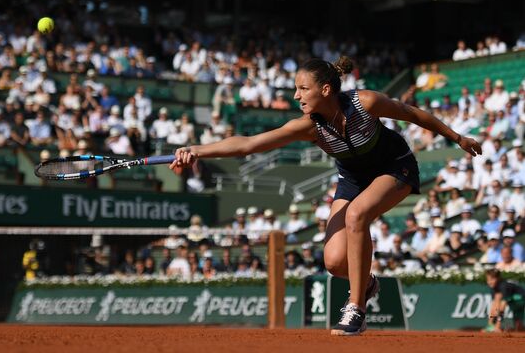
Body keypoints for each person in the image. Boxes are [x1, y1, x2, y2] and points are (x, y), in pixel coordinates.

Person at [168, 56, 481, 335]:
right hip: (353, 178)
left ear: (326, 90)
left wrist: (457, 138)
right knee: (333, 262)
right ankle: (367, 284)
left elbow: (413, 114)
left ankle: (356, 308)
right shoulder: (309, 127)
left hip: (394, 167)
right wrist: (197, 151)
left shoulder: (366, 102)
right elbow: (249, 144)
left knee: (358, 214)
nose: (296, 95)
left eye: (303, 89)